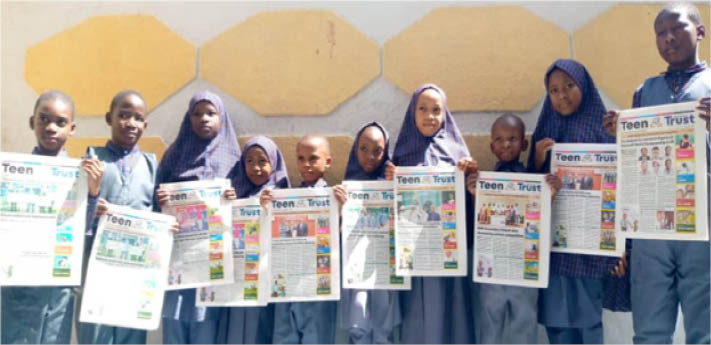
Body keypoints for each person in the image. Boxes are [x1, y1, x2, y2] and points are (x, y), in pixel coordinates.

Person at [602, 3, 710, 343]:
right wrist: (621, 133)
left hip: (703, 228)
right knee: (649, 332)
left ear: (700, 31)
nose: (668, 38)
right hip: (652, 229)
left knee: (705, 330)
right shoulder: (644, 91)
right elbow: (631, 164)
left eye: (676, 28)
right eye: (660, 33)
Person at [529, 59, 628, 344]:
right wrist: (536, 160)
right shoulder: (545, 132)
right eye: (554, 90)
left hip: (590, 251)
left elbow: (620, 191)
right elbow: (528, 194)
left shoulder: (604, 130)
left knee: (589, 325)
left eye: (569, 86)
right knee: (557, 325)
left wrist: (620, 245)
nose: (562, 95)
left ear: (583, 85)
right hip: (554, 251)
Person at [1, 91, 104, 344]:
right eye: (44, 119)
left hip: (58, 289)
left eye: (60, 122)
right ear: (31, 122)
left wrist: (92, 193)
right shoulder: (12, 174)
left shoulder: (84, 175)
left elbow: (84, 230)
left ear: (72, 128)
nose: (51, 128)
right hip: (19, 288)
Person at [384, 84, 477, 344]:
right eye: (422, 109)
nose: (429, 116)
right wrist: (390, 181)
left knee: (451, 314)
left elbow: (470, 207)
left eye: (436, 110)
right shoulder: (401, 155)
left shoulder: (458, 153)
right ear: (412, 113)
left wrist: (471, 177)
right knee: (417, 315)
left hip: (447, 251)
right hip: (414, 254)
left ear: (445, 113)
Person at [153, 91, 241, 344]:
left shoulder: (235, 161)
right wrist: (162, 202)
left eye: (211, 113)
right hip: (179, 258)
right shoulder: (175, 156)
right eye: (197, 113)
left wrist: (234, 199)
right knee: (175, 321)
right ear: (188, 119)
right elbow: (155, 201)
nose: (204, 119)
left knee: (208, 325)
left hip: (214, 261)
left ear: (222, 119)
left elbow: (248, 209)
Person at [469, 113, 561, 344]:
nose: (506, 144)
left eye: (512, 138)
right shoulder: (484, 181)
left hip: (524, 270)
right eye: (499, 139)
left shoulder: (533, 180)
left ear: (524, 144)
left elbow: (540, 216)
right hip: (492, 271)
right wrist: (473, 194)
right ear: (491, 146)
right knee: (490, 328)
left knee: (524, 327)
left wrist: (550, 193)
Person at [78, 90, 157, 344]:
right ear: (109, 118)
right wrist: (91, 200)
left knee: (131, 334)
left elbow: (157, 215)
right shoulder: (93, 159)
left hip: (136, 268)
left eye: (137, 117)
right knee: (95, 334)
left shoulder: (152, 165)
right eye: (123, 115)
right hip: (96, 266)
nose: (131, 123)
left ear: (145, 124)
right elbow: (73, 213)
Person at [266, 135, 346, 344]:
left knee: (317, 336)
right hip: (288, 281)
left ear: (327, 161)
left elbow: (340, 236)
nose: (306, 165)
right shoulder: (287, 196)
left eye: (313, 158)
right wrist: (265, 208)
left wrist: (342, 209)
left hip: (317, 284)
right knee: (285, 334)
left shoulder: (334, 196)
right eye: (301, 159)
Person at [220, 136, 290, 344]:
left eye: (263, 161)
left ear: (274, 163)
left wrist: (267, 208)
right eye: (249, 161)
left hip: (266, 280)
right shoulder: (237, 193)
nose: (256, 168)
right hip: (238, 279)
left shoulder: (282, 195)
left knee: (261, 330)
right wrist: (225, 204)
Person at [339, 122, 402, 344]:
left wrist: (398, 186)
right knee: (359, 319)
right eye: (363, 149)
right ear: (355, 149)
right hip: (357, 270)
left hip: (384, 269)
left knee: (384, 327)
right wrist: (337, 208)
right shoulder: (346, 189)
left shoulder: (392, 184)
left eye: (378, 151)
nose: (369, 156)